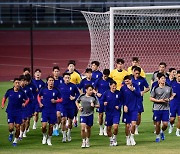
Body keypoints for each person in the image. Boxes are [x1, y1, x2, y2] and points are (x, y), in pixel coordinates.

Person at [1, 78, 29, 146]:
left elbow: (27, 99)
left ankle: (15, 141)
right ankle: (11, 133)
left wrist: (25, 104)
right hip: (10, 111)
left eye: (18, 83)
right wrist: (2, 104)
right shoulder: (9, 91)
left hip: (19, 112)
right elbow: (4, 97)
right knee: (11, 127)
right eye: (16, 83)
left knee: (18, 126)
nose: (17, 84)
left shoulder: (22, 92)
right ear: (13, 83)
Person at [38, 75, 62, 146]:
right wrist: (40, 103)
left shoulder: (56, 90)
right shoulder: (43, 89)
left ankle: (49, 139)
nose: (51, 82)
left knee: (51, 126)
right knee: (44, 126)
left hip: (52, 111)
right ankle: (44, 135)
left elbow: (61, 99)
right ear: (47, 81)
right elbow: (38, 96)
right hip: (45, 110)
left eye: (52, 81)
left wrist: (56, 101)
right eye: (50, 80)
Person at [150, 73, 174, 142]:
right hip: (157, 109)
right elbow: (151, 98)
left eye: (164, 78)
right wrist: (158, 100)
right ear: (159, 80)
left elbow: (172, 95)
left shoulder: (169, 87)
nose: (163, 80)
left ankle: (161, 131)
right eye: (162, 79)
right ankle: (157, 136)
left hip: (166, 108)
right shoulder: (155, 88)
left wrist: (169, 99)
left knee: (165, 124)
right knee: (157, 124)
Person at [58, 73, 80, 142]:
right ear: (63, 78)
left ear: (70, 78)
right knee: (63, 120)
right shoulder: (60, 86)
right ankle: (64, 136)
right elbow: (56, 95)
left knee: (70, 122)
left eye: (68, 78)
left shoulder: (73, 86)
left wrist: (74, 97)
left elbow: (78, 94)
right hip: (63, 106)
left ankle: (69, 133)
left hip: (71, 106)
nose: (67, 79)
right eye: (66, 77)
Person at [121, 75, 141, 146]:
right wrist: (124, 105)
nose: (126, 82)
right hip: (127, 109)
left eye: (127, 81)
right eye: (125, 81)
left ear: (131, 80)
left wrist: (133, 90)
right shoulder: (123, 88)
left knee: (133, 124)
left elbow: (139, 95)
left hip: (134, 108)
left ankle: (132, 137)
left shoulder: (136, 86)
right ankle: (127, 138)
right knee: (127, 125)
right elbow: (121, 98)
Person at [94, 69, 113, 136]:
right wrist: (96, 93)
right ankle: (101, 128)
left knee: (107, 115)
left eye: (107, 76)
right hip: (100, 100)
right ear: (103, 75)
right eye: (105, 76)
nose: (106, 77)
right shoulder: (98, 80)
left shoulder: (110, 80)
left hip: (108, 100)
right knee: (100, 115)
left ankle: (105, 129)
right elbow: (93, 89)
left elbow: (113, 88)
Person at [131, 66, 150, 135]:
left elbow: (148, 88)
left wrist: (143, 92)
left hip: (139, 99)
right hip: (131, 99)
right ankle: (131, 126)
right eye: (136, 73)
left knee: (138, 113)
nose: (137, 75)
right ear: (133, 72)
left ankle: (136, 127)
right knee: (131, 112)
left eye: (138, 73)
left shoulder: (142, 79)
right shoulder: (130, 78)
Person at [103, 80, 122, 146]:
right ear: (110, 86)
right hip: (108, 113)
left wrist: (119, 106)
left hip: (116, 113)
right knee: (108, 128)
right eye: (113, 86)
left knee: (115, 127)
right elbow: (102, 101)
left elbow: (122, 101)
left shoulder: (119, 93)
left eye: (115, 86)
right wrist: (104, 103)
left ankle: (114, 138)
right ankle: (111, 139)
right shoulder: (106, 93)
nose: (114, 87)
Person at [19, 75, 34, 139]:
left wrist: (26, 100)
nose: (23, 82)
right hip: (18, 107)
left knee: (26, 121)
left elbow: (32, 98)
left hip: (27, 107)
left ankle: (22, 133)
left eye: (24, 81)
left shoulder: (28, 89)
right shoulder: (17, 88)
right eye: (21, 81)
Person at [52, 66, 63, 136]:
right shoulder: (50, 80)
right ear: (53, 72)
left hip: (59, 100)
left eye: (57, 71)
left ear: (59, 72)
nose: (56, 72)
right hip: (52, 101)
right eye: (55, 71)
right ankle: (54, 128)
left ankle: (56, 127)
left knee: (59, 116)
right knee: (53, 115)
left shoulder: (61, 80)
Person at [168, 70, 180, 136]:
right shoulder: (172, 83)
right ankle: (171, 125)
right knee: (172, 119)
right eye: (178, 76)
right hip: (173, 103)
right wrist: (171, 95)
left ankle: (177, 131)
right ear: (176, 76)